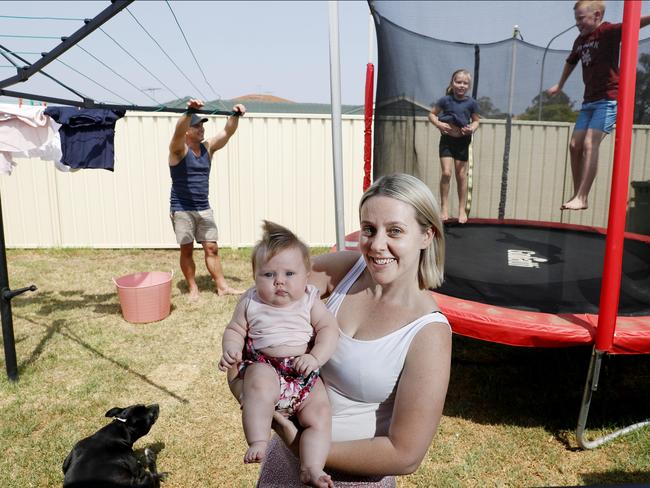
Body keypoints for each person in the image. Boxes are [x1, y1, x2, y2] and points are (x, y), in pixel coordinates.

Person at [227, 173, 452, 487]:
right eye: (369, 229)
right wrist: (248, 379)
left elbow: (406, 454)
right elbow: (264, 294)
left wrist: (304, 446)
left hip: (350, 480)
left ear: (426, 236)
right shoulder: (346, 269)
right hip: (284, 462)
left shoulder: (429, 333)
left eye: (395, 231)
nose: (376, 245)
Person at [219, 220, 339, 488]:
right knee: (258, 386)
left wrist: (316, 357)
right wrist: (232, 348)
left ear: (307, 275)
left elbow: (329, 330)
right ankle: (258, 440)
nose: (279, 282)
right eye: (269, 275)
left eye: (289, 274)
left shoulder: (309, 299)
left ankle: (311, 467)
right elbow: (235, 329)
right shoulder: (251, 301)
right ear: (254, 276)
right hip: (265, 365)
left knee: (320, 414)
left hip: (302, 371)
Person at [546, 1, 650, 211]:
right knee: (575, 145)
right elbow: (571, 61)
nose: (577, 23)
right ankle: (578, 194)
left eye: (581, 18)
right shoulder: (580, 40)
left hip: (608, 99)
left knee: (589, 144)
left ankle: (583, 196)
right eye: (576, 19)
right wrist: (560, 84)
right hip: (589, 101)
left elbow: (633, 23)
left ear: (597, 15)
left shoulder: (607, 32)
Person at [168, 98, 246, 300]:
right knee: (187, 249)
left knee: (212, 247)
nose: (201, 129)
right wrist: (188, 112)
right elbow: (177, 132)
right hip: (182, 208)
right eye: (196, 126)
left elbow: (227, 132)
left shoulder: (208, 148)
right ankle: (193, 288)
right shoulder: (178, 150)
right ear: (187, 130)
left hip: (204, 207)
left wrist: (236, 115)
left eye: (202, 125)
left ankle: (222, 286)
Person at [428, 69, 480, 223]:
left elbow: (476, 121)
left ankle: (461, 210)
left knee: (461, 175)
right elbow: (431, 114)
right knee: (446, 173)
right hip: (447, 141)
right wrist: (439, 124)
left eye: (465, 83)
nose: (461, 85)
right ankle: (444, 207)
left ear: (468, 86)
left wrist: (472, 128)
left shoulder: (471, 103)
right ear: (452, 83)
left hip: (462, 141)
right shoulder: (445, 100)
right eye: (458, 82)